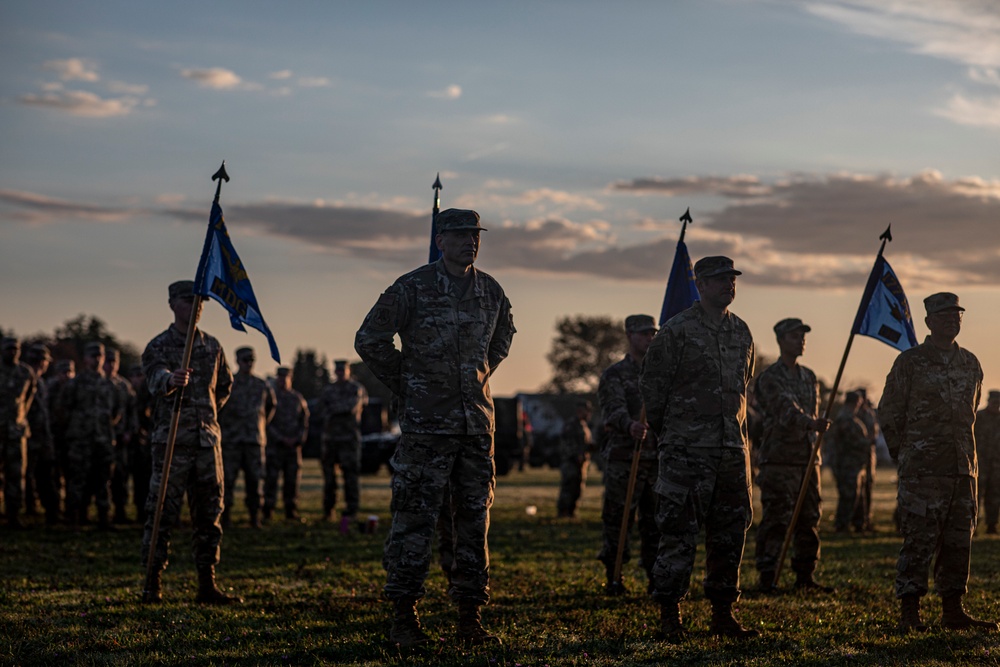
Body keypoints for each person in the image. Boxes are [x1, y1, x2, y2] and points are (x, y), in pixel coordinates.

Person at [355, 207, 515, 648]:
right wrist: (410, 381)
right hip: (427, 429)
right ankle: (404, 619)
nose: (471, 241)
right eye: (461, 234)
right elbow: (369, 339)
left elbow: (504, 336)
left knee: (472, 523)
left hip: (476, 428)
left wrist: (479, 372)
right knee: (414, 522)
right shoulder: (413, 288)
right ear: (440, 239)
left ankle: (469, 617)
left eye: (475, 234)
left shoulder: (490, 291)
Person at [640, 255, 757, 640]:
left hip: (730, 451)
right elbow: (653, 390)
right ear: (700, 284)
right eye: (720, 279)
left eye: (732, 279)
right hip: (686, 452)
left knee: (729, 535)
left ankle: (723, 614)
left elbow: (744, 390)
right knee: (678, 533)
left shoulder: (742, 333)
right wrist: (675, 434)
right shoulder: (677, 331)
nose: (728, 285)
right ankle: (670, 616)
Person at [879, 292, 996, 632]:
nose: (951, 319)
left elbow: (970, 412)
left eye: (956, 314)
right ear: (928, 321)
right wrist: (907, 453)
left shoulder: (971, 363)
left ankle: (953, 608)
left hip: (962, 467)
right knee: (919, 539)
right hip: (923, 469)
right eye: (943, 315)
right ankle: (910, 611)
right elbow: (889, 410)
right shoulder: (910, 362)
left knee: (960, 540)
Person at [140, 280, 240, 605]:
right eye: (188, 300)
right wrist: (170, 380)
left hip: (207, 445)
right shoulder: (158, 346)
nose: (195, 307)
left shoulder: (213, 346)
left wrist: (207, 415)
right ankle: (152, 583)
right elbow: (154, 377)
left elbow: (224, 386)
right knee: (162, 514)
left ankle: (207, 584)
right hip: (171, 443)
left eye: (200, 301)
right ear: (172, 304)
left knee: (209, 515)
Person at [752, 318, 832, 592]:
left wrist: (814, 427)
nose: (801, 341)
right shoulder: (769, 378)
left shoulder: (809, 377)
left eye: (802, 336)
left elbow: (811, 410)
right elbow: (785, 409)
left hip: (808, 459)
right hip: (780, 459)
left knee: (810, 518)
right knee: (777, 518)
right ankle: (767, 575)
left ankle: (805, 575)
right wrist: (810, 423)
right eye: (794, 336)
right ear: (780, 341)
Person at [596, 314, 659, 594]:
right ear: (630, 336)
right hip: (625, 457)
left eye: (652, 334)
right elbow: (612, 408)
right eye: (644, 333)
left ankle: (656, 578)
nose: (649, 338)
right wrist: (629, 424)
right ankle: (615, 574)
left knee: (655, 522)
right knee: (618, 519)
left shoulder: (659, 374)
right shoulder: (615, 374)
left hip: (655, 459)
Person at [57, 342, 121, 530]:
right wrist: (76, 429)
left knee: (103, 480)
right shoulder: (74, 384)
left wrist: (104, 426)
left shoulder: (110, 385)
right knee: (77, 479)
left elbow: (116, 412)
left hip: (103, 440)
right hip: (80, 440)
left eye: (99, 356)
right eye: (93, 356)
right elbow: (63, 410)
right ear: (85, 359)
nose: (97, 359)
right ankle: (75, 518)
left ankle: (103, 519)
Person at [218, 346, 275, 529]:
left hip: (253, 441)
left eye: (251, 360)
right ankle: (225, 517)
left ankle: (254, 517)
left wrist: (260, 426)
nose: (248, 364)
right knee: (227, 481)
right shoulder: (228, 383)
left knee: (255, 481)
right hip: (232, 441)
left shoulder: (262, 385)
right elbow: (219, 408)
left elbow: (270, 407)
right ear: (237, 361)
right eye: (245, 360)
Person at [318, 359, 368, 527]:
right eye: (337, 370)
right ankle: (328, 509)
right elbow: (321, 410)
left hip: (348, 440)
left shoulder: (356, 389)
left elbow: (350, 407)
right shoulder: (328, 390)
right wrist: (335, 409)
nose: (340, 373)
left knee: (350, 477)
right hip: (330, 439)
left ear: (348, 371)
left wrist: (334, 409)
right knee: (329, 478)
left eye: (343, 370)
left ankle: (351, 511)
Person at [263, 367, 308, 522]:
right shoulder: (271, 397)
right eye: (280, 377)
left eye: (286, 377)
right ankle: (268, 509)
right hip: (275, 447)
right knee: (271, 480)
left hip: (293, 448)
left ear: (291, 379)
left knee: (292, 480)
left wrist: (298, 439)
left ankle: (291, 510)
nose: (283, 380)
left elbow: (304, 421)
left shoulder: (297, 398)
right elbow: (266, 422)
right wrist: (280, 438)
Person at [0, 337, 37, 529]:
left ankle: (14, 515)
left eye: (15, 349)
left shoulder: (25, 372)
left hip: (16, 432)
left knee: (16, 474)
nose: (12, 352)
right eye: (8, 349)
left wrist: (20, 420)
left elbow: (28, 399)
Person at [23, 344, 58, 525]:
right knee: (29, 474)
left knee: (44, 474)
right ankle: (31, 508)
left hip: (42, 436)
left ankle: (47, 509)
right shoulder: (26, 380)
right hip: (29, 437)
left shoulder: (42, 382)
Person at [105, 348, 138, 524]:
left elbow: (132, 411)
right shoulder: (98, 383)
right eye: (108, 361)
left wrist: (129, 432)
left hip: (120, 440)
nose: (111, 365)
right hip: (99, 438)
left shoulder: (124, 386)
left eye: (114, 362)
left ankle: (120, 511)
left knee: (121, 477)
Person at [830, 391, 869, 534]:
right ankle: (842, 524)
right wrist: (866, 442)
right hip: (847, 463)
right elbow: (850, 441)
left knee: (856, 495)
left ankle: (857, 523)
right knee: (848, 495)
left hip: (855, 463)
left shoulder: (851, 418)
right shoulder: (845, 420)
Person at [556, 399, 593, 519]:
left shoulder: (583, 425)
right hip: (571, 462)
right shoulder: (571, 424)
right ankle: (563, 511)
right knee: (568, 486)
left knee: (577, 488)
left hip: (581, 463)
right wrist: (575, 455)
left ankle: (571, 511)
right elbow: (566, 443)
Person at [127, 365, 154, 525]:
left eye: (141, 375)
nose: (138, 378)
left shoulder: (149, 394)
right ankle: (139, 512)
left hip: (150, 443)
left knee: (150, 479)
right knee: (138, 480)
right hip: (134, 445)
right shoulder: (127, 394)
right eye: (135, 375)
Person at [854, 388, 880, 532]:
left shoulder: (869, 414)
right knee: (858, 489)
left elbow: (874, 433)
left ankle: (867, 518)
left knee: (868, 487)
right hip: (858, 456)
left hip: (869, 455)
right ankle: (858, 520)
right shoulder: (854, 414)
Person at [976, 390, 1000, 534]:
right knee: (976, 496)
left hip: (996, 465)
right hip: (979, 464)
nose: (996, 405)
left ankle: (992, 525)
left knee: (994, 496)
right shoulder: (978, 417)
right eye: (994, 402)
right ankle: (974, 526)